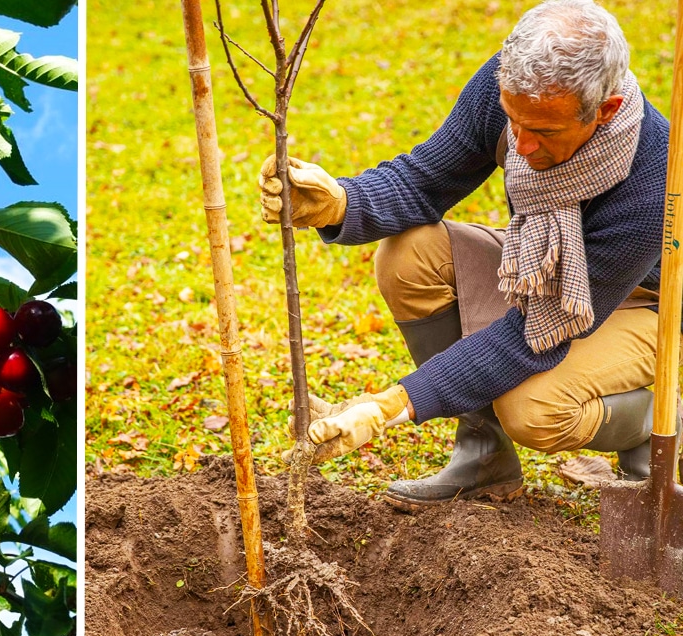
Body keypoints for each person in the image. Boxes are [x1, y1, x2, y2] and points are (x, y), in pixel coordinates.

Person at [259, 0, 669, 510]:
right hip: (543, 270)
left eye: (543, 132)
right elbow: (425, 181)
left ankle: (658, 416)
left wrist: (390, 405)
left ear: (604, 110)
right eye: (514, 121)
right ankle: (484, 456)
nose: (519, 146)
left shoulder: (656, 178)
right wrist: (340, 203)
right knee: (409, 255)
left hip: (646, 302)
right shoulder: (510, 91)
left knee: (532, 409)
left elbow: (532, 338)